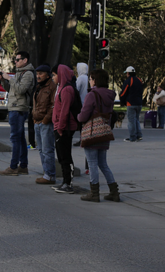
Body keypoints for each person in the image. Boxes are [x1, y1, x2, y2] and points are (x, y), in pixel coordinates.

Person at [76, 68, 120, 202]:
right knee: (103, 163)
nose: (89, 81)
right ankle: (114, 191)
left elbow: (83, 116)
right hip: (104, 131)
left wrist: (78, 117)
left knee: (92, 163)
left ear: (95, 80)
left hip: (92, 132)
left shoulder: (92, 95)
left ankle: (94, 192)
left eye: (90, 79)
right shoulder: (110, 95)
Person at [0, 51, 35, 175]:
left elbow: (20, 89)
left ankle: (13, 167)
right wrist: (4, 81)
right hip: (15, 106)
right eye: (15, 59)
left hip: (19, 108)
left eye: (18, 59)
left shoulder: (28, 74)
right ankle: (23, 166)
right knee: (20, 138)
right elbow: (11, 89)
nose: (16, 61)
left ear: (25, 60)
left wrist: (9, 78)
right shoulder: (19, 73)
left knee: (15, 138)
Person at [52, 64, 79, 193]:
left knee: (65, 155)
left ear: (60, 74)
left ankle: (68, 183)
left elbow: (65, 110)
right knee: (61, 155)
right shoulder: (61, 88)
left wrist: (60, 128)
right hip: (59, 127)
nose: (53, 77)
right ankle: (64, 181)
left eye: (54, 75)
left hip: (65, 128)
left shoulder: (67, 89)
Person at [32, 64, 57, 184]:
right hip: (37, 122)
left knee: (47, 150)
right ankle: (46, 173)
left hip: (45, 123)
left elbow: (53, 105)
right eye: (37, 74)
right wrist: (34, 117)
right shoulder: (39, 87)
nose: (38, 76)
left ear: (48, 75)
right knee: (41, 149)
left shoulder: (52, 87)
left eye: (41, 74)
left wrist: (46, 119)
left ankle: (50, 175)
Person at [120, 66, 144, 142]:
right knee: (136, 119)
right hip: (139, 103)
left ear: (128, 73)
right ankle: (139, 135)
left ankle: (132, 137)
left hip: (131, 103)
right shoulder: (139, 80)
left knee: (131, 121)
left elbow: (124, 92)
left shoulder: (128, 81)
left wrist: (122, 100)